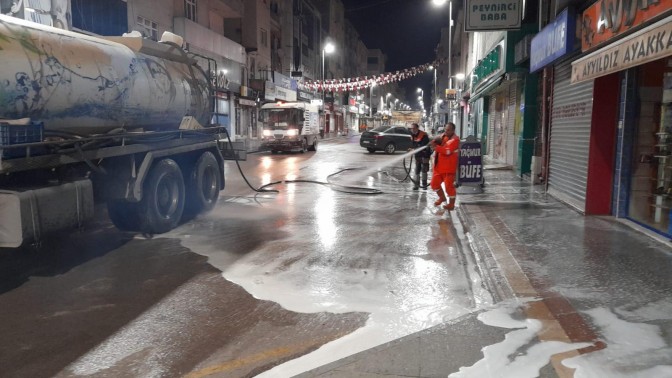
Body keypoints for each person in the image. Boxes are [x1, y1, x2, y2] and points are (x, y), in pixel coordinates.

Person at [429, 122, 460, 210]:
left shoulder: (455, 139)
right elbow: (437, 140)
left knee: (449, 187)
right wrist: (433, 141)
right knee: (434, 184)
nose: (446, 131)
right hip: (438, 167)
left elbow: (447, 151)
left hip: (448, 168)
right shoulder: (443, 136)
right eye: (445, 129)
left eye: (448, 130)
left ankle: (451, 204)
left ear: (453, 131)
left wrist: (436, 148)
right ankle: (442, 198)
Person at [409, 123, 431, 190]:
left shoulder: (423, 135)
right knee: (417, 169)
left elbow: (424, 145)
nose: (412, 130)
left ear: (417, 128)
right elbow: (413, 144)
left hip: (425, 154)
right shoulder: (412, 135)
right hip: (418, 155)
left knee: (424, 169)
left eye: (414, 128)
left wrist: (414, 149)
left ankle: (424, 185)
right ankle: (416, 185)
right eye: (411, 128)